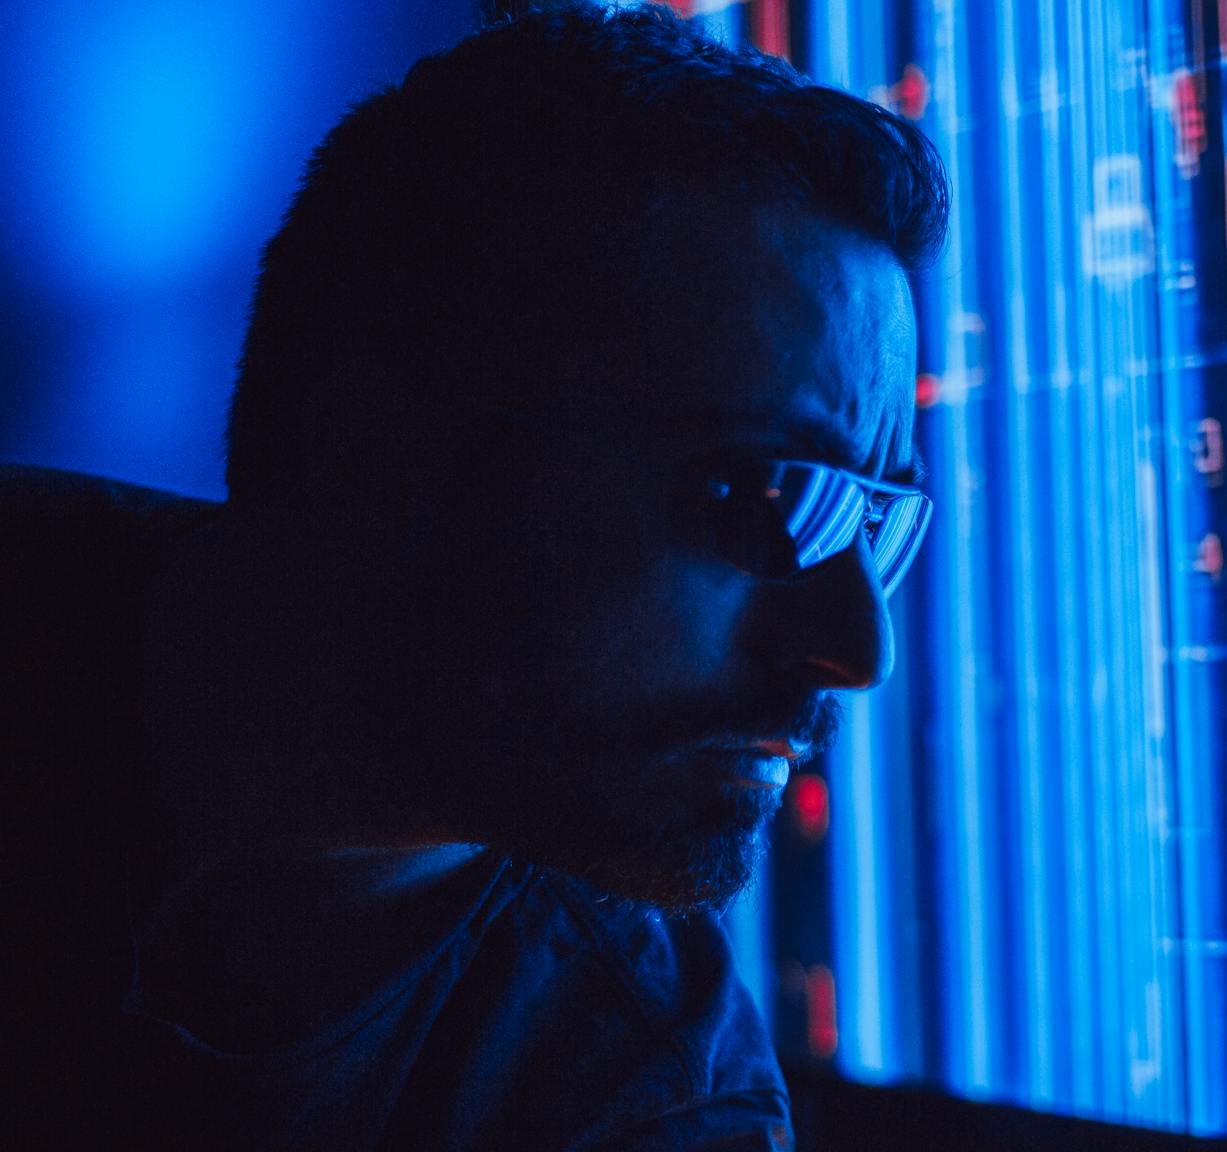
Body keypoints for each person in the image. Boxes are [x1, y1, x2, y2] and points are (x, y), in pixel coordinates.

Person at [0, 5, 945, 1148]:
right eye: (762, 494)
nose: (860, 647)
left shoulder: (648, 1099)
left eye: (880, 522)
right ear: (372, 463)